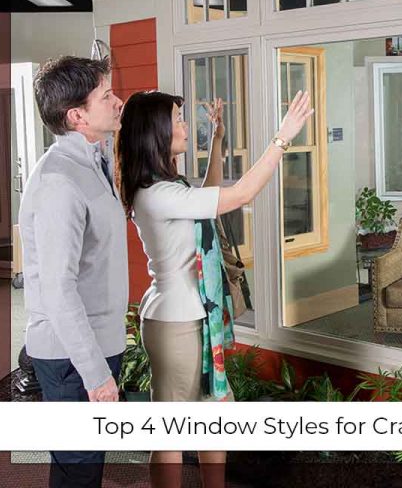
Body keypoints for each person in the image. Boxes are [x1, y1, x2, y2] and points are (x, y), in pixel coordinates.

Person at [115, 89, 311, 488]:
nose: (185, 125)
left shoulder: (169, 188)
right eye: (178, 119)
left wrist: (218, 139)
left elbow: (210, 195)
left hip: (193, 314)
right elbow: (240, 195)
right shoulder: (158, 195)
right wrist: (282, 138)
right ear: (157, 132)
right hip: (176, 322)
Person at [20, 56, 127, 488]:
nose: (118, 102)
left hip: (98, 343)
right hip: (71, 356)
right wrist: (95, 374)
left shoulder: (94, 162)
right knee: (78, 468)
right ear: (76, 116)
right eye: (106, 96)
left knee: (86, 464)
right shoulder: (58, 182)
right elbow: (57, 290)